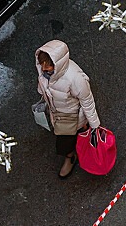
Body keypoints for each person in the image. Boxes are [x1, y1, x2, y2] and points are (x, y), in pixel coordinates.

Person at [36, 40, 100, 178]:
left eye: (48, 65)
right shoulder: (46, 72)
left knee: (64, 142)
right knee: (72, 137)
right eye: (42, 64)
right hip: (57, 112)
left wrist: (95, 125)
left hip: (70, 116)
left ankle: (70, 157)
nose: (44, 68)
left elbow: (87, 101)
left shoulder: (75, 78)